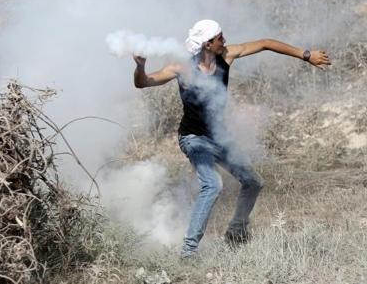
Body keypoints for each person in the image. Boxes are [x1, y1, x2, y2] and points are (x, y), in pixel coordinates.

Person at [132, 19, 331, 258]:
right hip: (193, 139)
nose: (224, 41)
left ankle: (236, 232)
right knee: (213, 184)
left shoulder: (226, 56)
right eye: (219, 38)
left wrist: (305, 55)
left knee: (253, 182)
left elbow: (265, 43)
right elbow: (142, 83)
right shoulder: (182, 68)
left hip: (218, 138)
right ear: (207, 44)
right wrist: (140, 66)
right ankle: (189, 251)